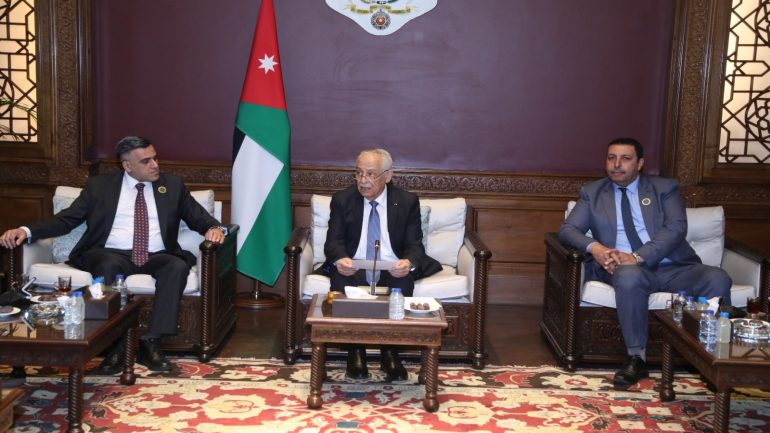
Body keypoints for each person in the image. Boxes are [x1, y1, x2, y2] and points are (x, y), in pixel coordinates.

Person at [0, 136, 227, 374]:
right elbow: (66, 220)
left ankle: (152, 342)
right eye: (146, 161)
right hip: (110, 252)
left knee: (176, 267)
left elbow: (200, 219)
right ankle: (115, 345)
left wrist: (214, 229)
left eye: (155, 158)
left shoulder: (173, 185)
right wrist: (26, 231)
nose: (155, 165)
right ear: (127, 165)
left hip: (157, 254)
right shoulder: (100, 186)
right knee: (107, 265)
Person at [559, 137, 732, 389]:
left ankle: (711, 357)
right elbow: (568, 230)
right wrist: (597, 248)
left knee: (717, 278)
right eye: (611, 158)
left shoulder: (664, 189)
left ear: (640, 163)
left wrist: (638, 256)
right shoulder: (593, 193)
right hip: (622, 269)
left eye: (625, 158)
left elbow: (676, 228)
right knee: (629, 276)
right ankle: (635, 358)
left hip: (671, 267)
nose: (617, 164)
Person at [323, 148, 442, 381]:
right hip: (355, 267)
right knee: (340, 278)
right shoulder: (342, 200)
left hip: (391, 267)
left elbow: (415, 245)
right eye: (358, 173)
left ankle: (390, 353)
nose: (362, 181)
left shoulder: (406, 201)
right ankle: (355, 353)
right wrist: (340, 259)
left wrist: (408, 262)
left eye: (370, 174)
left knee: (403, 281)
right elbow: (333, 242)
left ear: (388, 175)